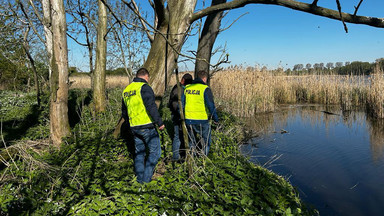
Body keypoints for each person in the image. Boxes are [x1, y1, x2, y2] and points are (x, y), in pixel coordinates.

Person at [122, 68, 165, 183]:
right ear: (146, 76)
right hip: (146, 126)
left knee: (140, 153)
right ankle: (145, 181)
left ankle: (140, 180)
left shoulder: (127, 90)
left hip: (134, 127)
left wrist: (129, 124)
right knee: (155, 153)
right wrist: (159, 122)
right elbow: (151, 106)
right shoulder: (144, 88)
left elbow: (124, 112)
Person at [182, 70, 219, 156]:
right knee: (206, 143)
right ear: (204, 78)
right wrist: (215, 119)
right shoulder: (205, 89)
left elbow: (182, 104)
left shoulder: (187, 88)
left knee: (191, 142)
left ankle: (191, 161)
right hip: (202, 120)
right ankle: (203, 161)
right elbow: (211, 105)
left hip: (189, 119)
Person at [168, 73, 193, 161]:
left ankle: (181, 155)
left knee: (179, 136)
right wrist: (180, 114)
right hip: (178, 116)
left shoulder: (179, 88)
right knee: (178, 136)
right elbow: (175, 104)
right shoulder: (179, 89)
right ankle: (177, 157)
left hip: (178, 116)